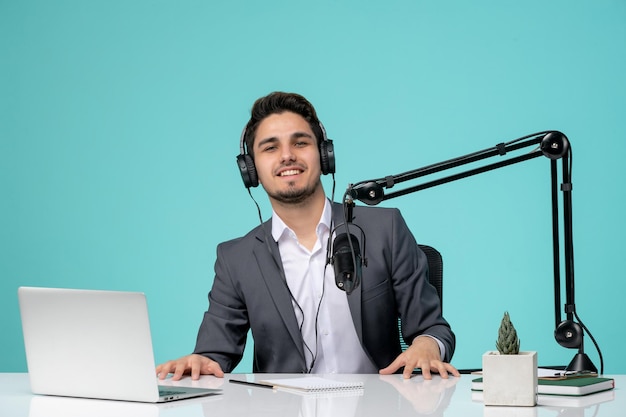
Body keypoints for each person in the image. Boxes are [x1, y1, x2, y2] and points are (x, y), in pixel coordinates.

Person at [156, 92, 460, 381]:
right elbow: (213, 355)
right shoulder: (236, 259)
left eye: (300, 143)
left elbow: (432, 328)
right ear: (251, 170)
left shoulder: (386, 229)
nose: (287, 156)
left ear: (324, 155)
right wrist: (201, 362)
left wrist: (427, 346)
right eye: (270, 148)